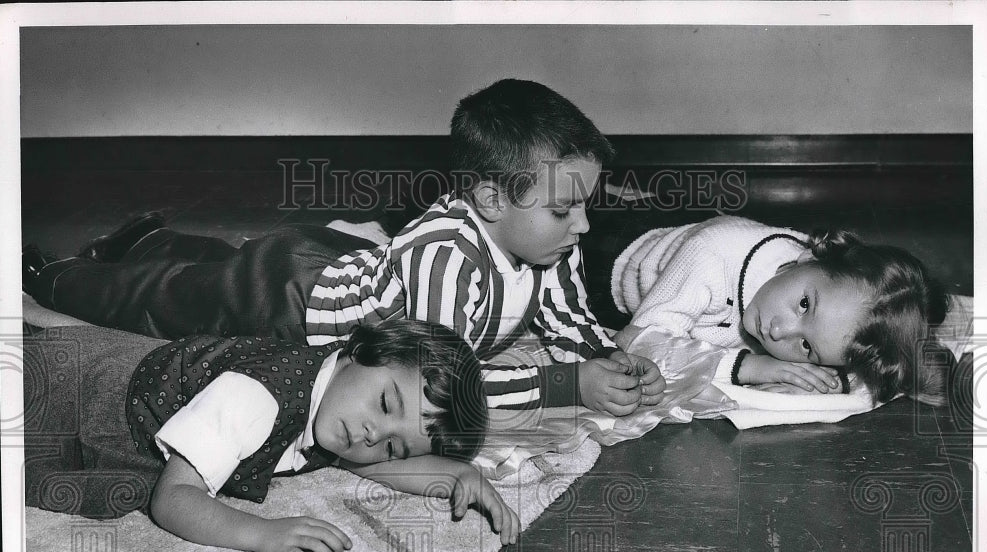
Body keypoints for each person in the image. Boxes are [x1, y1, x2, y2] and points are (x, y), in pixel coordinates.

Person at [22, 78, 666, 417]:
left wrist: (614, 356)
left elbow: (566, 316)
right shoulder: (447, 258)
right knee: (167, 299)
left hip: (335, 258)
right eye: (564, 208)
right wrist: (564, 385)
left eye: (583, 204)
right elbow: (437, 385)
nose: (582, 224)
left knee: (215, 263)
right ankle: (54, 275)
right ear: (492, 200)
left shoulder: (551, 245)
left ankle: (150, 237)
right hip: (292, 300)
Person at [23, 318, 521, 552]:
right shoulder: (257, 399)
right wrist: (263, 534)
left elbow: (365, 464)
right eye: (387, 405)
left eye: (393, 444)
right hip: (62, 390)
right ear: (363, 351)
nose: (372, 434)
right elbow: (173, 500)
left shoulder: (342, 402)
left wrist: (458, 472)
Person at [609, 214, 950, 405]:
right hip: (610, 258)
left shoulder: (827, 292)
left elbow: (867, 369)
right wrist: (749, 367)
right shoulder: (712, 255)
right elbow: (636, 341)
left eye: (807, 348)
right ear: (809, 256)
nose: (778, 331)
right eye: (804, 305)